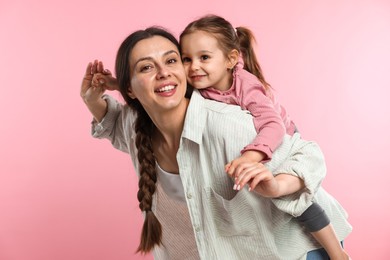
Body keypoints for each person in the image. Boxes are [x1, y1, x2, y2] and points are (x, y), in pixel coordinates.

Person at [81, 27, 352, 259]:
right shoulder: (137, 126)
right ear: (129, 88)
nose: (163, 72)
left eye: (172, 61)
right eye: (147, 67)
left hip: (298, 250)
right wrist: (92, 99)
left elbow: (309, 156)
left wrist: (277, 185)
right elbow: (115, 123)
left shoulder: (228, 126)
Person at [179, 14, 349, 259]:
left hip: (283, 140)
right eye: (187, 59)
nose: (194, 66)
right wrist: (121, 85)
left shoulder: (246, 84)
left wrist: (250, 156)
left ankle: (337, 253)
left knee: (297, 199)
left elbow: (272, 124)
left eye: (204, 57)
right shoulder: (198, 86)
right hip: (258, 144)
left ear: (230, 59)